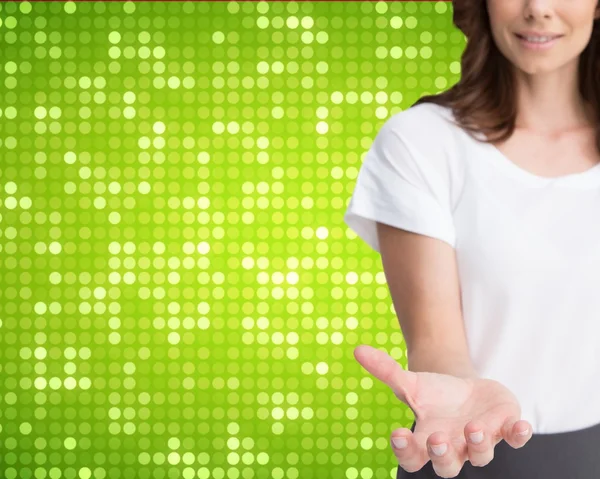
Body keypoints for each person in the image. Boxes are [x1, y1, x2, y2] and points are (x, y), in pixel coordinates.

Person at [343, 0, 600, 478]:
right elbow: (436, 341)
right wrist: (461, 399)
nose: (538, 9)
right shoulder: (422, 143)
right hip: (466, 449)